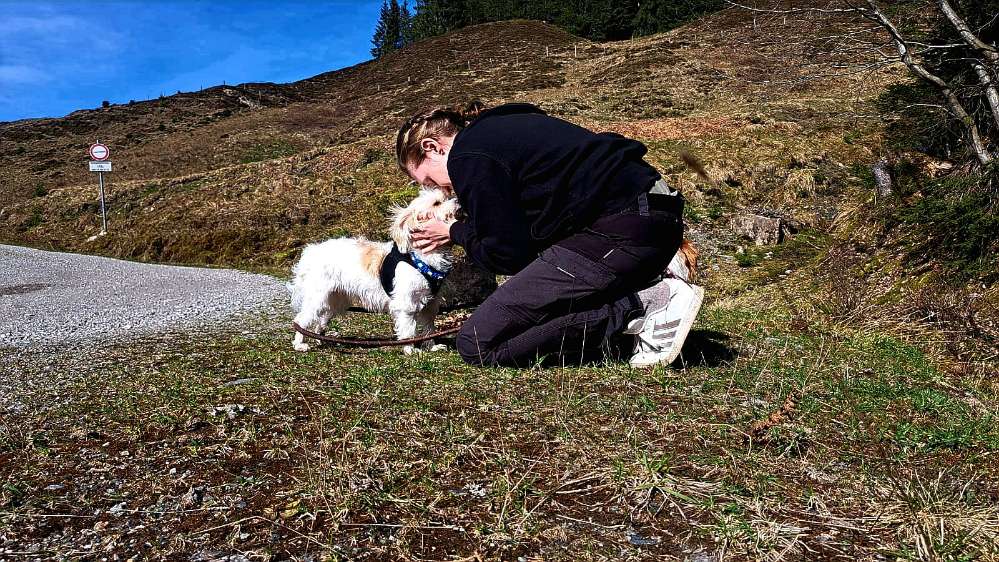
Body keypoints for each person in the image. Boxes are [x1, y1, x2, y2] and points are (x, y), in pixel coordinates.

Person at [396, 102, 703, 368]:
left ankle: (647, 305)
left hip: (622, 229)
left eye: (427, 180)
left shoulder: (467, 156)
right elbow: (526, 240)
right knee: (528, 314)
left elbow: (507, 255)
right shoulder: (501, 131)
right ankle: (634, 313)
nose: (440, 190)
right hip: (657, 221)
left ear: (432, 147)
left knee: (476, 342)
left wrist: (453, 231)